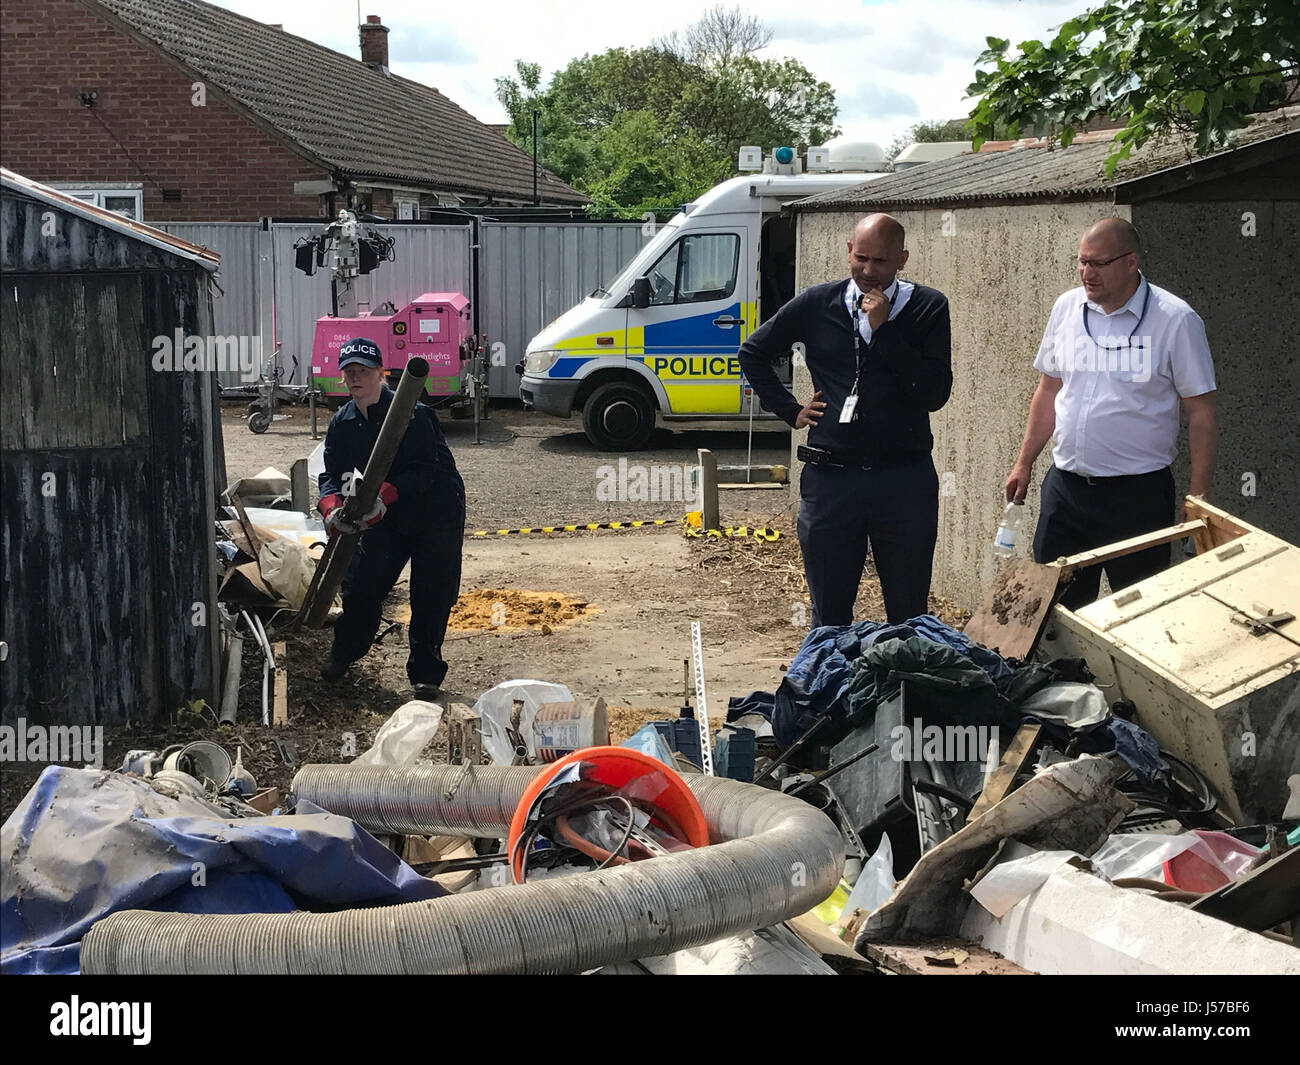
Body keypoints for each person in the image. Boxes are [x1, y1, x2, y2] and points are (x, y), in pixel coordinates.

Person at [739, 213, 952, 626]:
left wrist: (884, 329)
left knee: (908, 613)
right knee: (830, 614)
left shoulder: (928, 307)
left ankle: (900, 688)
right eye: (862, 258)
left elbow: (934, 394)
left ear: (902, 259)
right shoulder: (818, 303)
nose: (870, 271)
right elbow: (753, 353)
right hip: (832, 482)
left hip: (903, 482)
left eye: (882, 262)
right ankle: (829, 687)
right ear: (848, 251)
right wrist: (791, 410)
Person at [1004, 216, 1218, 609]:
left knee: (1139, 613)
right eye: (1082, 262)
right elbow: (1048, 389)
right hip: (1066, 491)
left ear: (1131, 262)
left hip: (1137, 497)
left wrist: (1197, 497)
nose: (1087, 273)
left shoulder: (1175, 319)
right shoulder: (1067, 308)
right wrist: (1024, 462)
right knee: (1054, 610)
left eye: (1098, 264)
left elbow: (1201, 410)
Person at [317, 337, 466, 700]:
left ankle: (426, 676)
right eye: (349, 372)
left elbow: (425, 470)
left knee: (431, 592)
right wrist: (331, 506)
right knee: (363, 584)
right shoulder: (343, 422)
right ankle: (344, 653)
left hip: (436, 511)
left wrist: (383, 497)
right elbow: (331, 473)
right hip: (384, 515)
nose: (356, 379)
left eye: (363, 371)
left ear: (381, 373)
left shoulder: (414, 413)